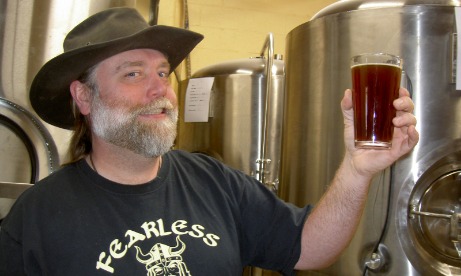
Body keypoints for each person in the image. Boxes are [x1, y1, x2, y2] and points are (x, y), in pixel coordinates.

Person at [0, 7, 419, 276]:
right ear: (84, 97)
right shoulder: (36, 217)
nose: (159, 90)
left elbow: (309, 249)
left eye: (163, 73)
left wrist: (356, 169)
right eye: (133, 74)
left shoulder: (214, 182)